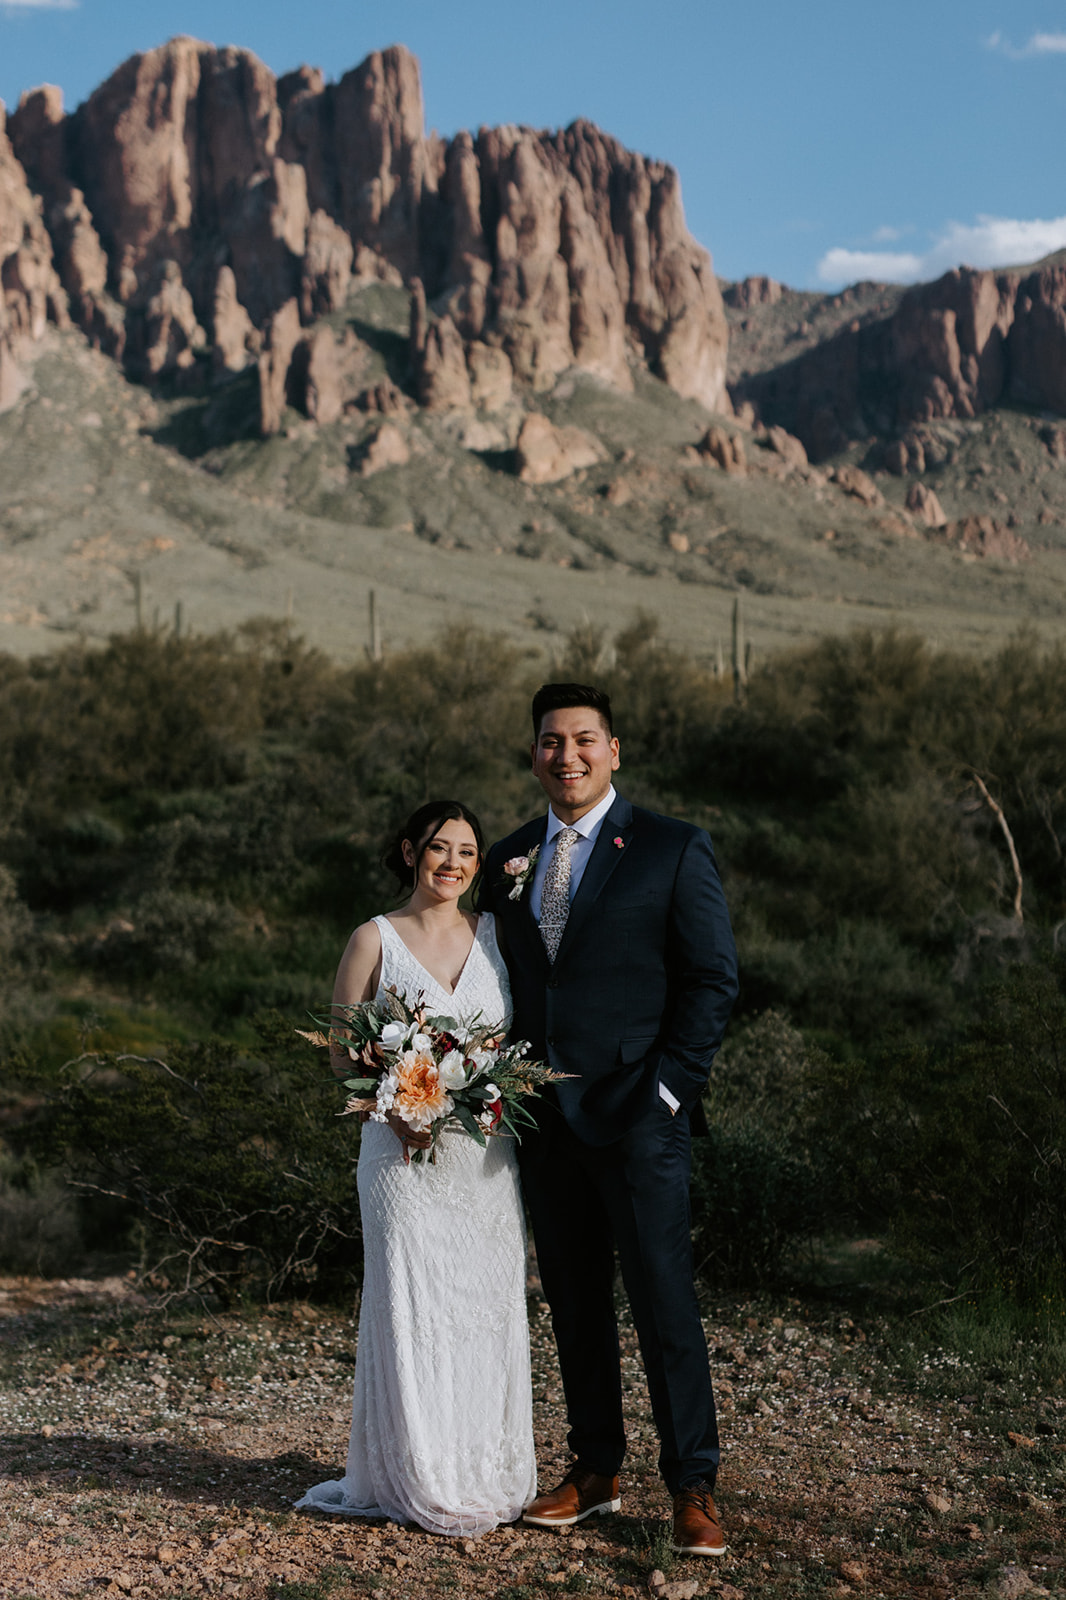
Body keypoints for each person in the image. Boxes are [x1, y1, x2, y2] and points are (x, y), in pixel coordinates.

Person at [481, 684, 738, 1558]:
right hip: (541, 1120)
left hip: (639, 1116)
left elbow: (712, 981)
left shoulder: (671, 848)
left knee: (664, 1302)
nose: (568, 756)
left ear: (614, 750)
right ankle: (594, 1470)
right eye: (552, 742)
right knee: (574, 1301)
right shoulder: (508, 859)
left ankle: (693, 1487)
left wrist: (669, 1091)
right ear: (534, 756)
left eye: (584, 740)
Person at [296, 800, 536, 1537]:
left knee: (481, 1307)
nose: (453, 864)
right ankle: (415, 1471)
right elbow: (341, 1053)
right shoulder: (374, 938)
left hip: (483, 1158)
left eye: (467, 852)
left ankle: (479, 1465)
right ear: (409, 852)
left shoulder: (499, 936)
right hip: (399, 1157)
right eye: (438, 848)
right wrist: (391, 1105)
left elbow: (508, 1045)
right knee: (412, 1308)